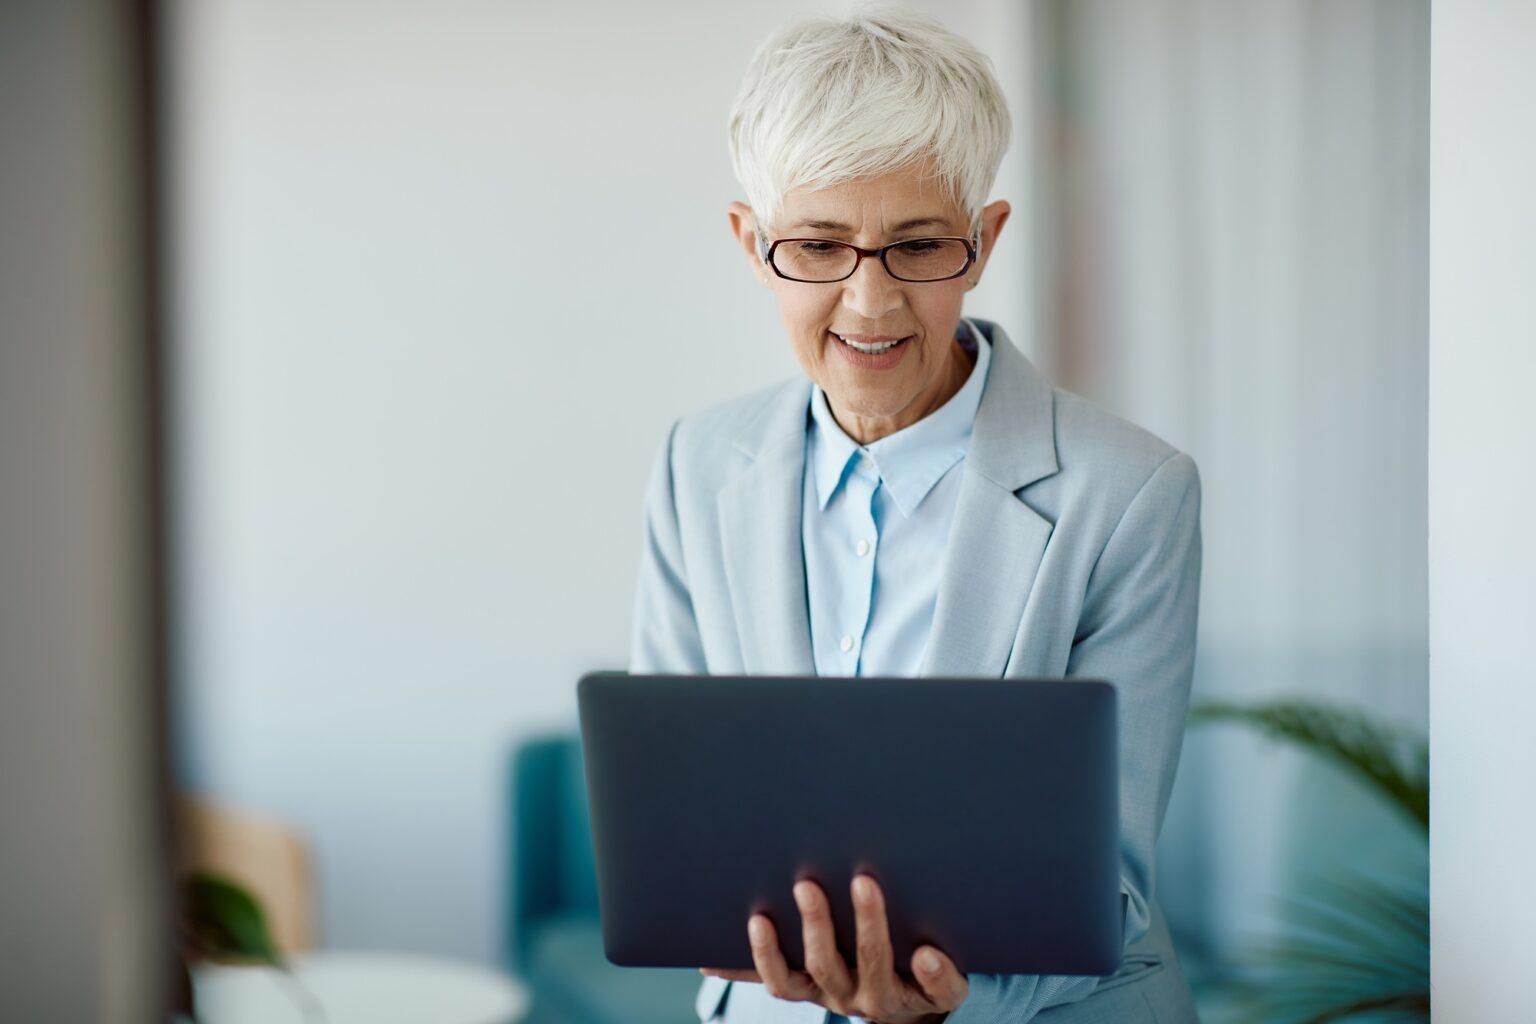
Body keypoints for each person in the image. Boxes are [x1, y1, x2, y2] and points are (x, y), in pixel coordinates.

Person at [628, 7, 1202, 1023]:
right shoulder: (695, 465)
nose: (870, 301)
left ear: (983, 242)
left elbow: (1106, 890)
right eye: (819, 245)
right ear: (752, 245)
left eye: (917, 245)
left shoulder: (1131, 495)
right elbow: (679, 830)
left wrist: (940, 1004)